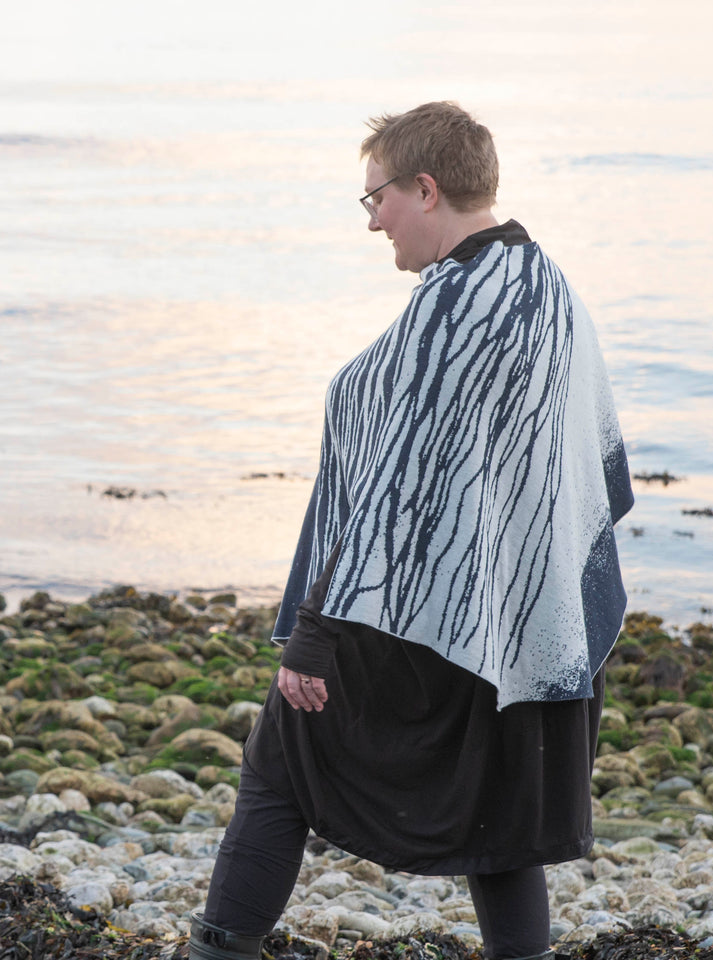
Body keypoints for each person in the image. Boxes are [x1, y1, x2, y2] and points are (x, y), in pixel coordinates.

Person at [188, 101, 634, 960]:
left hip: (406, 610)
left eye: (376, 199)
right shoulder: (548, 285)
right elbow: (585, 465)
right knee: (500, 821)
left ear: (424, 188)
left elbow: (394, 488)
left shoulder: (457, 307)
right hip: (521, 610)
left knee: (281, 767)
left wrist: (314, 635)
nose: (373, 222)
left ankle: (221, 948)